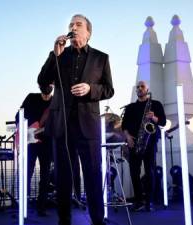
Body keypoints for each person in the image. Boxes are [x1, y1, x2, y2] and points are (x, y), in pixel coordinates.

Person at [37, 14, 114, 225]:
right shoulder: (58, 55)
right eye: (71, 24)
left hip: (88, 127)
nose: (73, 27)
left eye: (78, 24)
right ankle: (64, 221)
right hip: (61, 125)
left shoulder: (101, 58)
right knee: (62, 177)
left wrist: (91, 89)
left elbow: (109, 89)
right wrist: (54, 55)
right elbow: (42, 82)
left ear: (88, 32)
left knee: (92, 175)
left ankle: (97, 220)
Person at [121, 80, 166, 211]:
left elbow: (162, 122)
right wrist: (128, 137)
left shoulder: (155, 105)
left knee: (150, 172)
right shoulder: (130, 107)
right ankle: (138, 200)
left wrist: (154, 118)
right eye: (138, 87)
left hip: (150, 143)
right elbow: (124, 125)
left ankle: (149, 202)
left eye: (142, 87)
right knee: (134, 173)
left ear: (147, 90)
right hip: (134, 143)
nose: (140, 88)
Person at [17, 84, 53, 216]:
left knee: (45, 176)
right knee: (27, 173)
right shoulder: (31, 98)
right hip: (31, 142)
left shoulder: (55, 102)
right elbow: (19, 115)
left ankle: (41, 207)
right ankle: (23, 205)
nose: (46, 95)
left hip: (47, 143)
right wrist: (27, 128)